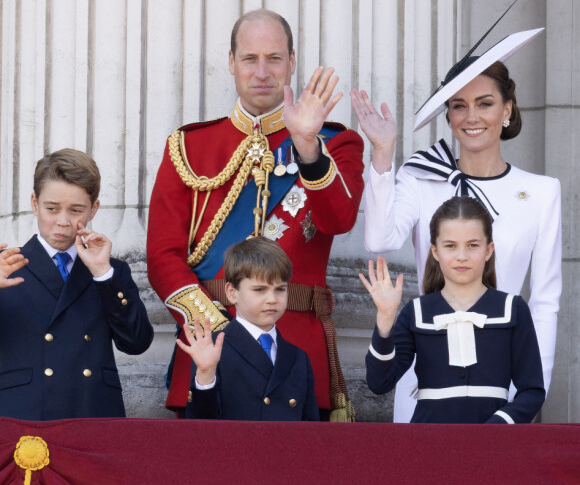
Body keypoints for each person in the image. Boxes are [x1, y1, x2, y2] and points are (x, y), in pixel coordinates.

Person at [148, 9, 364, 421]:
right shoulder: (189, 146)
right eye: (250, 59)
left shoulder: (334, 143)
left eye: (275, 58)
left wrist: (307, 149)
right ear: (231, 63)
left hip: (297, 352)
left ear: (292, 62)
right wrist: (218, 330)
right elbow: (161, 257)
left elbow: (340, 220)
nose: (262, 71)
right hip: (208, 346)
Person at [351, 29, 561, 422]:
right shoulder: (420, 177)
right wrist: (382, 156)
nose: (472, 117)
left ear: (508, 109)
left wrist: (531, 394)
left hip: (504, 385)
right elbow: (380, 238)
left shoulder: (541, 192)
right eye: (459, 105)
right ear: (447, 114)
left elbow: (546, 302)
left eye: (485, 103)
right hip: (426, 380)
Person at [360, 196, 545, 424]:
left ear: (489, 250)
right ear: (435, 251)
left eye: (473, 245)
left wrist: (497, 428)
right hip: (429, 445)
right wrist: (386, 318)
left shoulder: (512, 309)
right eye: (450, 246)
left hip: (493, 448)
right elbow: (380, 383)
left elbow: (533, 391)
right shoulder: (416, 312)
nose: (461, 256)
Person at [0, 149, 154, 420]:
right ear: (34, 204)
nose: (62, 221)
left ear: (93, 208)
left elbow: (137, 342)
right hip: (22, 414)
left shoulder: (112, 270)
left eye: (76, 210)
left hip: (91, 412)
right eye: (51, 208)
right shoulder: (5, 266)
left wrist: (103, 274)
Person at [178, 236, 318, 421]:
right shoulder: (213, 350)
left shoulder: (298, 358)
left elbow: (311, 430)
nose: (272, 299)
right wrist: (205, 375)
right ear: (232, 293)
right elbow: (201, 427)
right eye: (259, 290)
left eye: (280, 289)